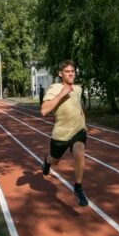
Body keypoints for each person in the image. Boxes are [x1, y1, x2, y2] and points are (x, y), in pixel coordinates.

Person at [40, 60, 89, 207]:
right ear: (60, 74)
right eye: (67, 71)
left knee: (80, 152)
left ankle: (78, 188)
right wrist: (62, 94)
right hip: (61, 134)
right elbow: (43, 110)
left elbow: (78, 107)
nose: (71, 73)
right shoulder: (54, 88)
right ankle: (47, 161)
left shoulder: (78, 89)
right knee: (55, 160)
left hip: (78, 130)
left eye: (72, 71)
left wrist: (84, 124)